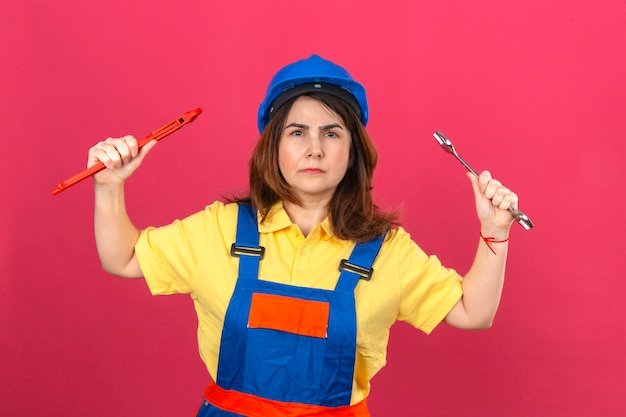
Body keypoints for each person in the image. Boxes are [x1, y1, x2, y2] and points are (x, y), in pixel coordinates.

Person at [89, 54, 518, 417]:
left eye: (331, 133)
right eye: (297, 132)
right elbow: (122, 258)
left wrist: (495, 231)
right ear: (273, 147)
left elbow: (473, 312)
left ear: (352, 154)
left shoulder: (386, 251)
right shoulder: (218, 229)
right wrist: (109, 186)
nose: (314, 147)